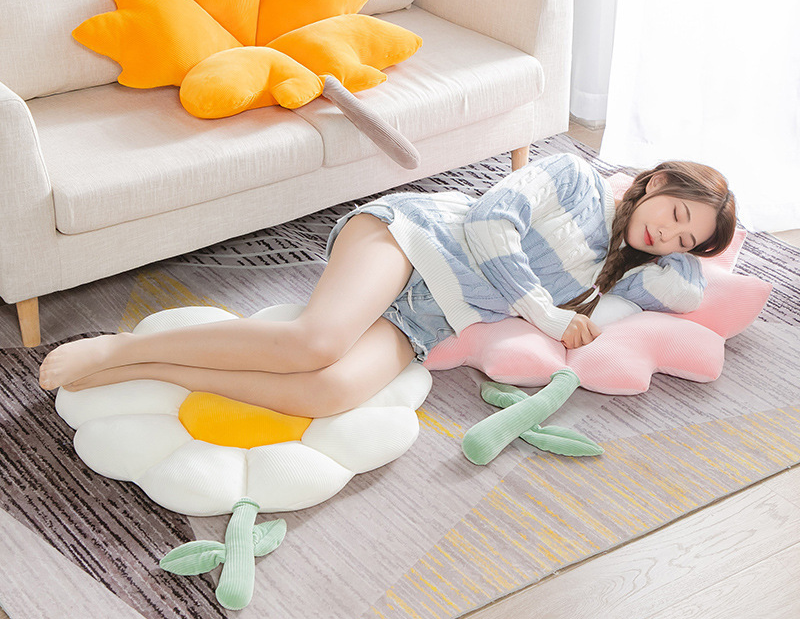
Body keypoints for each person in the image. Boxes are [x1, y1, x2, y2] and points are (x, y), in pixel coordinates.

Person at [39, 153, 736, 418]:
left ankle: (155, 370)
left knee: (330, 393)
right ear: (653, 180)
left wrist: (695, 243)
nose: (667, 237)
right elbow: (489, 221)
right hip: (413, 241)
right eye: (675, 214)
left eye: (686, 241)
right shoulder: (575, 176)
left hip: (433, 316)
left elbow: (690, 294)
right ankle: (118, 350)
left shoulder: (625, 267)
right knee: (315, 343)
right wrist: (545, 315)